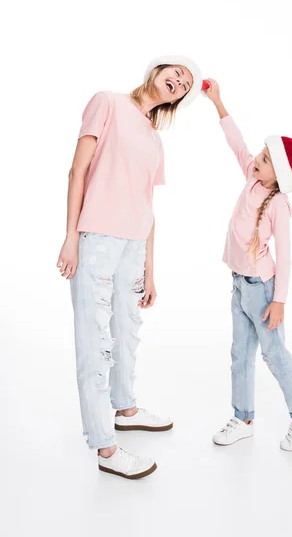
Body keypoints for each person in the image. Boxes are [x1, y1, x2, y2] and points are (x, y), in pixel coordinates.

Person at [57, 56, 203, 479]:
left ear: (179, 100)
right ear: (157, 70)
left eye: (186, 84)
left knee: (127, 329)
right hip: (97, 238)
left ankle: (126, 408)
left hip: (134, 246)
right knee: (94, 341)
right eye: (176, 72)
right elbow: (77, 170)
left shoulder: (156, 139)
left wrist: (150, 268)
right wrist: (71, 236)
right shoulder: (107, 102)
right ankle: (105, 447)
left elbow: (147, 204)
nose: (179, 81)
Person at [204, 79, 292, 452]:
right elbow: (236, 143)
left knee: (274, 353)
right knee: (240, 353)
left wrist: (280, 301)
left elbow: (285, 257)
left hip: (263, 290)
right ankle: (243, 418)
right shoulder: (251, 177)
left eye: (266, 159)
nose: (256, 159)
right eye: (261, 153)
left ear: (281, 175)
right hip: (240, 284)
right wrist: (218, 103)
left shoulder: (278, 206)